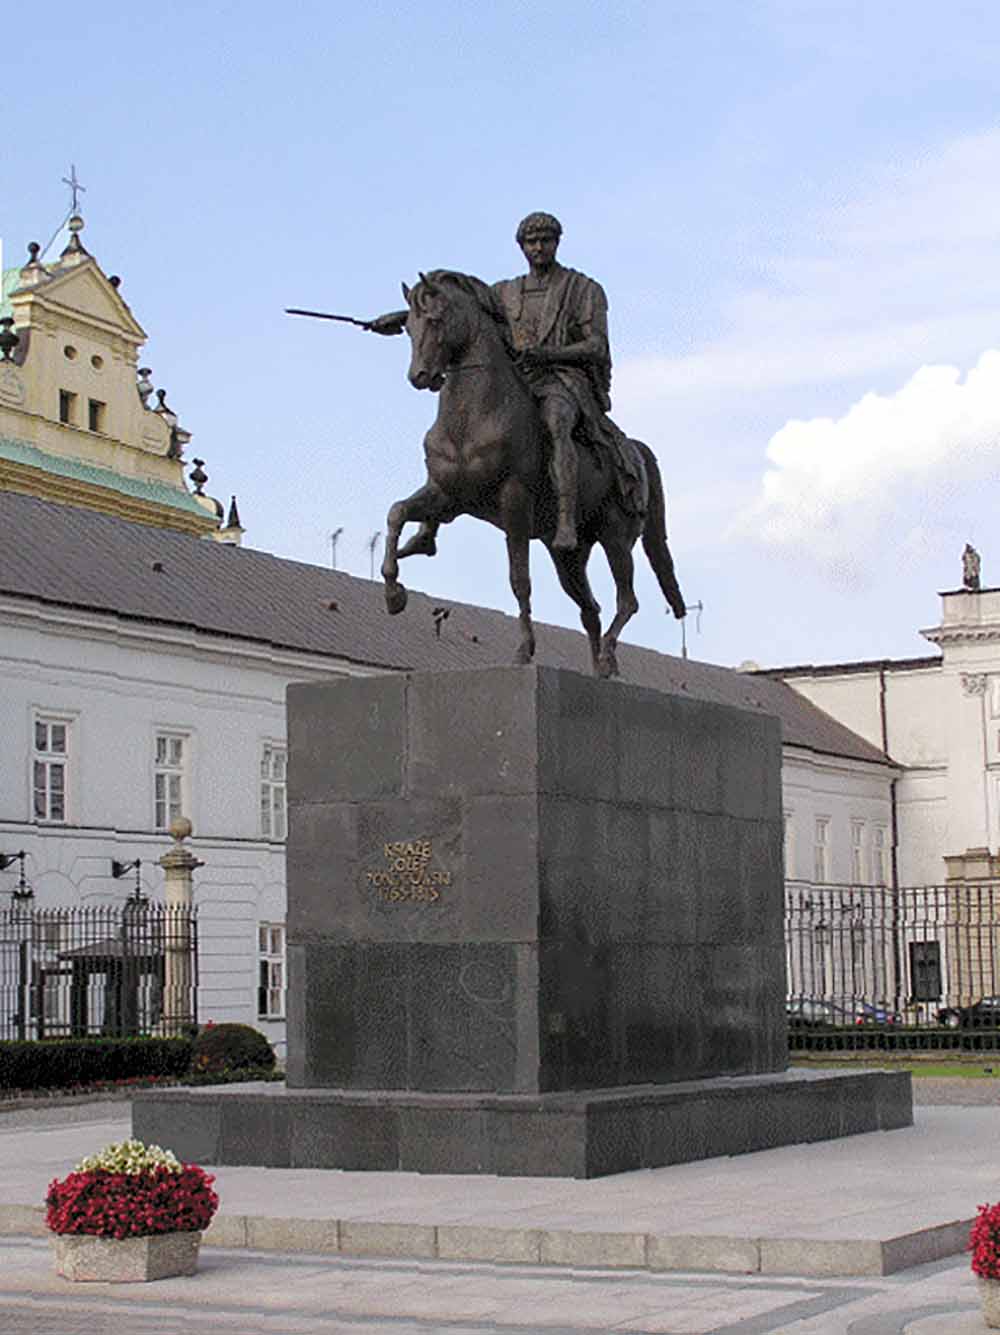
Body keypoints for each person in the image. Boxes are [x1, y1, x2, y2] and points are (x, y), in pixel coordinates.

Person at [369, 212, 641, 550]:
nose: (538, 247)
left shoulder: (583, 289)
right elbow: (453, 314)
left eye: (545, 240)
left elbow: (596, 344)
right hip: (517, 378)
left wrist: (547, 354)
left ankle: (566, 518)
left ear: (557, 243)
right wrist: (399, 319)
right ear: (522, 247)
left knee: (556, 419)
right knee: (456, 422)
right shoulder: (504, 293)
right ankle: (430, 526)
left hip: (562, 379)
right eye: (531, 242)